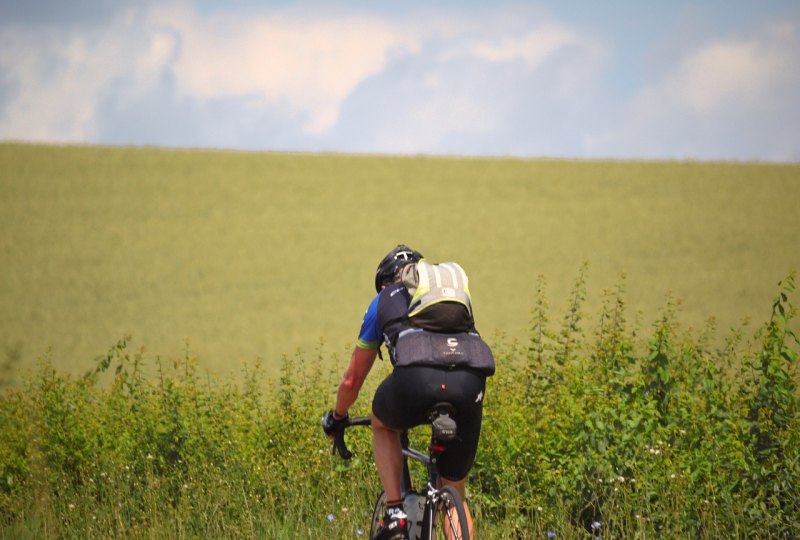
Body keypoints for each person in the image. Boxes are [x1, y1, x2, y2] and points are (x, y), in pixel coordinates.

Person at [322, 245, 493, 540]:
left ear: (385, 282)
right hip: (470, 380)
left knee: (383, 423)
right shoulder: (448, 296)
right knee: (454, 491)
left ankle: (396, 512)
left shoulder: (382, 301)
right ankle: (450, 504)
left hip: (417, 379)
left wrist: (337, 417)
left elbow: (352, 380)